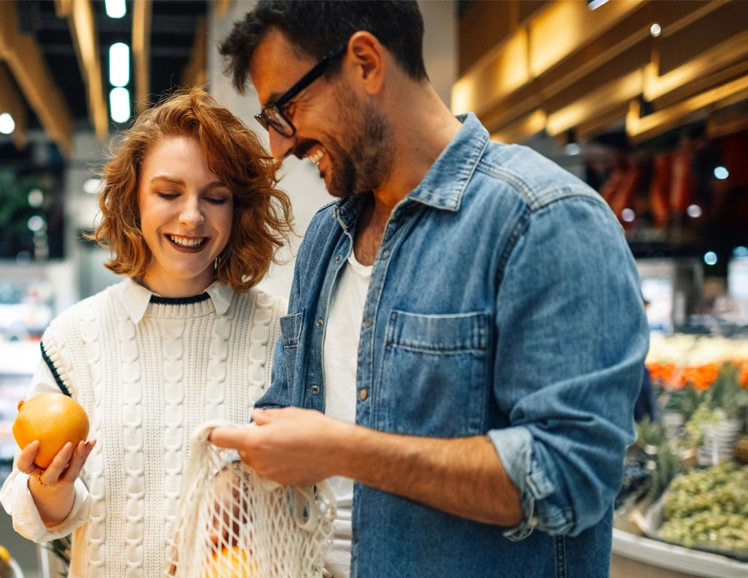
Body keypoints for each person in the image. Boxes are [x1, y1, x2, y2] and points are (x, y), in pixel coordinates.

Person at [210, 3, 647, 576]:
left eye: (285, 110)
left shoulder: (544, 220)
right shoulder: (328, 235)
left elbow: (570, 476)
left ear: (365, 62)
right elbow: (295, 407)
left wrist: (344, 450)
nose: (278, 146)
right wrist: (239, 475)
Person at [0, 88, 293, 577]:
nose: (192, 216)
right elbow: (39, 519)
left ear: (237, 209)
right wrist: (51, 486)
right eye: (168, 193)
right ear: (133, 199)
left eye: (215, 197)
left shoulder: (280, 330)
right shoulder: (75, 338)